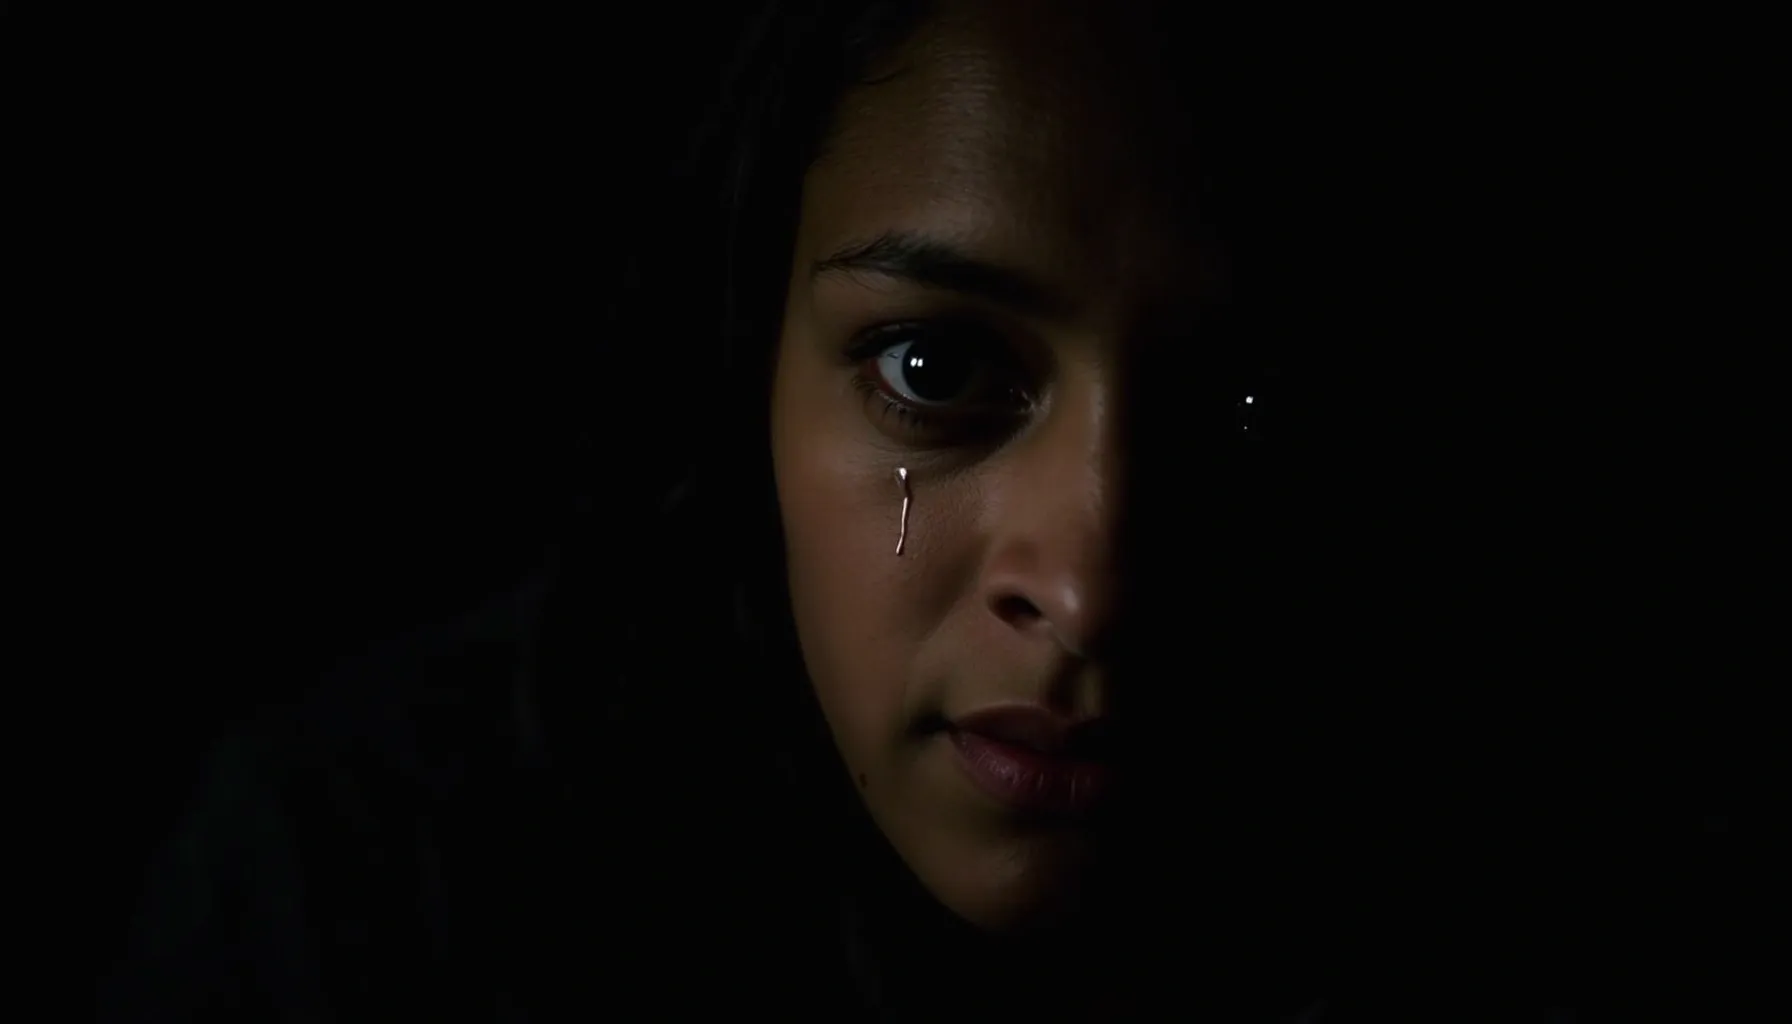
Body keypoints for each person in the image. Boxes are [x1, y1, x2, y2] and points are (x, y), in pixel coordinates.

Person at [100, 1, 1597, 1019]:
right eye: (935, 369)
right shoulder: (355, 891)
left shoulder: (1503, 882)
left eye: (1241, 408)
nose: (1089, 588)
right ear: (749, 358)